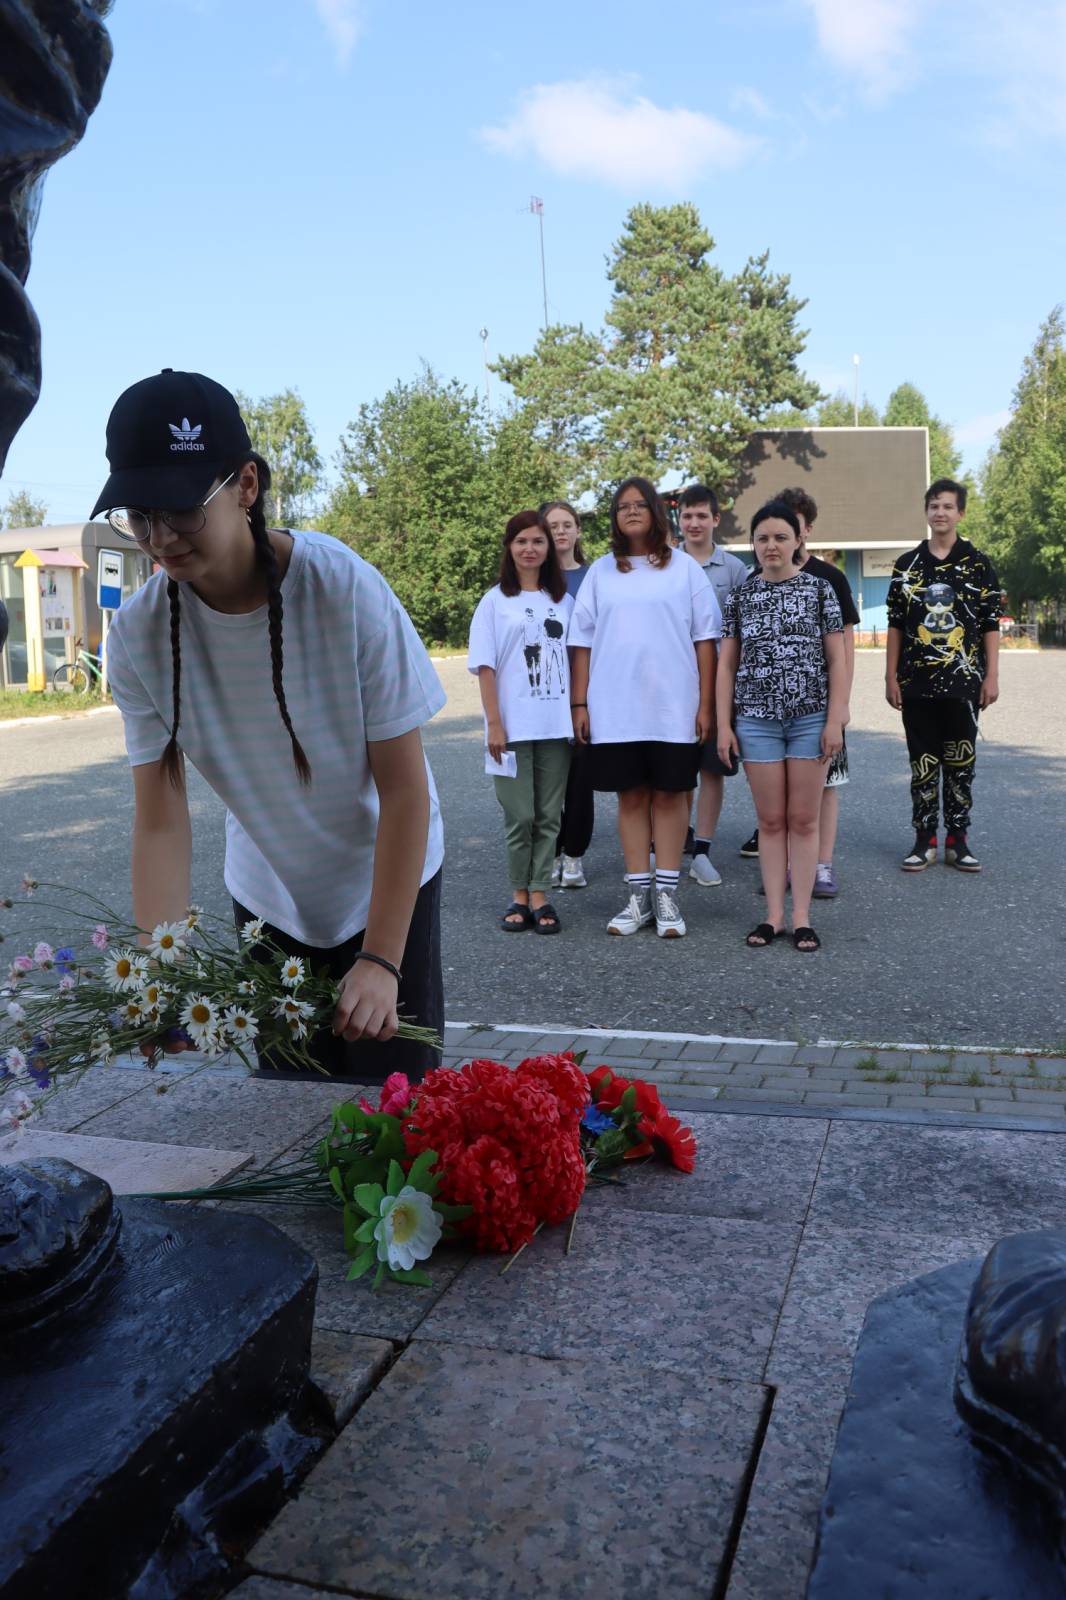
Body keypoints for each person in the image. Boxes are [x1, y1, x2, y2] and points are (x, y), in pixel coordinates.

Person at [94, 368, 445, 1085]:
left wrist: (381, 960)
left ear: (246, 486)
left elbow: (405, 792)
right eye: (139, 515)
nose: (160, 537)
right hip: (269, 897)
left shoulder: (342, 588)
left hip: (386, 872)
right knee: (287, 1105)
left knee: (398, 1116)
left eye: (180, 508)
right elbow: (160, 820)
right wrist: (159, 979)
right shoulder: (136, 637)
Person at [569, 476, 720, 940]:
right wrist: (579, 702)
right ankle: (638, 897)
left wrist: (707, 705)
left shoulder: (684, 570)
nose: (631, 511)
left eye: (640, 504)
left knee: (671, 796)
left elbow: (705, 640)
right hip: (614, 708)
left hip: (674, 708)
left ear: (657, 512)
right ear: (614, 518)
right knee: (631, 797)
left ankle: (668, 895)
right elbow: (581, 642)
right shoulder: (601, 572)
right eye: (622, 506)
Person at [717, 500, 847, 952]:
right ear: (753, 544)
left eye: (780, 537)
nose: (771, 545)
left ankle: (803, 917)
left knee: (804, 820)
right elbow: (726, 666)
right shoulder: (741, 596)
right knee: (771, 821)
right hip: (756, 722)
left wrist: (836, 719)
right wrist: (723, 725)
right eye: (762, 538)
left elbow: (837, 660)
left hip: (811, 719)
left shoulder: (820, 590)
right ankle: (773, 915)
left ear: (798, 541)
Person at [886, 478, 1001, 873]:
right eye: (934, 506)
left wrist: (992, 676)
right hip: (916, 683)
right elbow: (897, 624)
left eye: (948, 506)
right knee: (923, 763)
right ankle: (924, 838)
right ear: (927, 511)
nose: (940, 513)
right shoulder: (908, 566)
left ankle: (958, 838)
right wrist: (890, 677)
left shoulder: (978, 563)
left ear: (960, 513)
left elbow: (989, 623)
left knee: (960, 762)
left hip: (964, 683)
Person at [468, 510, 572, 934]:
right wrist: (494, 723)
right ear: (510, 548)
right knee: (520, 815)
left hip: (555, 724)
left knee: (549, 815)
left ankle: (541, 895)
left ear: (549, 549)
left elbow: (579, 656)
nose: (530, 549)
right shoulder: (495, 601)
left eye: (538, 541)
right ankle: (518, 895)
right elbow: (486, 666)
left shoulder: (563, 601)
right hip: (511, 727)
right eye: (522, 541)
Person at [778, 487, 860, 898]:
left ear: (806, 529)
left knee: (826, 785)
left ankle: (821, 866)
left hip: (823, 706)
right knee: (785, 790)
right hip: (776, 710)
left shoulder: (831, 577)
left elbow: (845, 647)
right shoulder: (763, 577)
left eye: (796, 524)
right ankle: (788, 866)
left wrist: (840, 706)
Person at [677, 484, 748, 887]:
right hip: (675, 686)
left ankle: (702, 851)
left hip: (719, 686)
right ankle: (675, 839)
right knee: (676, 769)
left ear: (716, 520)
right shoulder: (666, 564)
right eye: (687, 516)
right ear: (679, 520)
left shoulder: (735, 570)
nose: (694, 523)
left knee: (712, 770)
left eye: (702, 515)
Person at [541, 499, 594, 890]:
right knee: (545, 780)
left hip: (584, 692)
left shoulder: (594, 578)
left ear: (577, 531)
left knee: (578, 777)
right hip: (542, 693)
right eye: (552, 526)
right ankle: (550, 850)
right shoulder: (531, 580)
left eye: (566, 524)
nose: (560, 531)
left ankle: (573, 855)